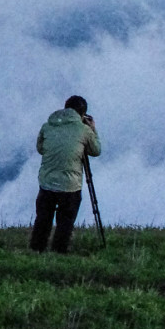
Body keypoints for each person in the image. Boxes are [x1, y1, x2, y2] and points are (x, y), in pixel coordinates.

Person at [31, 95, 100, 254]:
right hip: (70, 185)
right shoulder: (84, 130)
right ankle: (59, 249)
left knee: (43, 217)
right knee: (66, 219)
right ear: (83, 114)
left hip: (47, 181)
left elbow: (41, 149)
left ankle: (37, 247)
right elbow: (95, 150)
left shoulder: (48, 125)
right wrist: (93, 129)